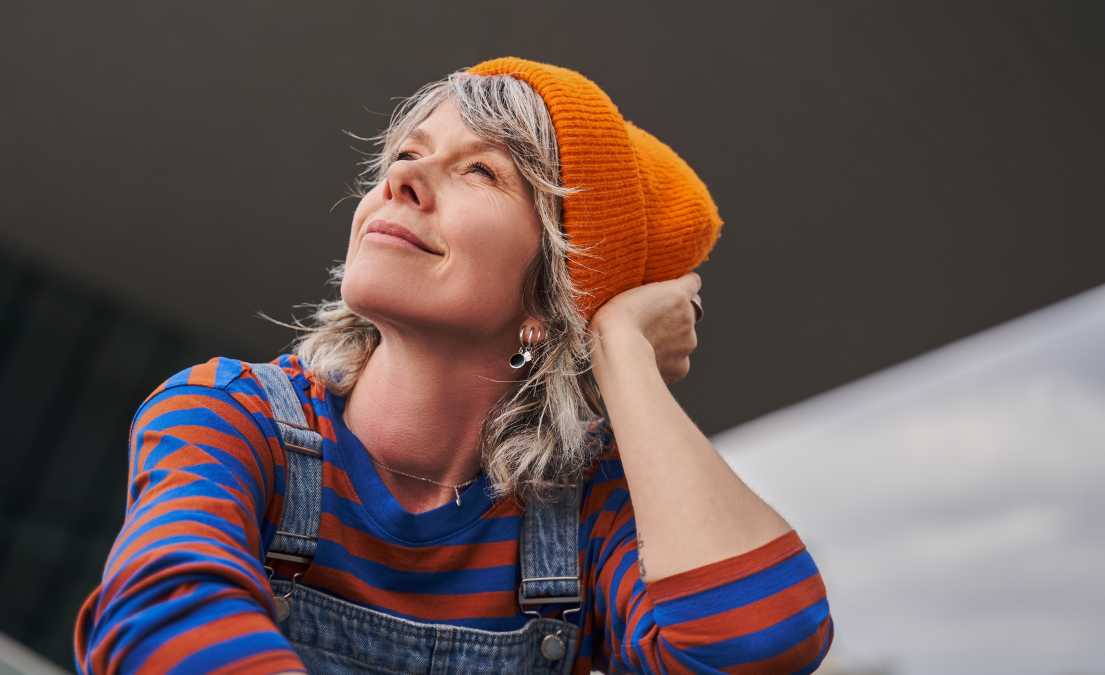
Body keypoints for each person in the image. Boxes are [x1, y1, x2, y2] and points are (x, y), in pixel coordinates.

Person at [75, 58, 833, 675]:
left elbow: (757, 644)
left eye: (481, 173)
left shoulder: (586, 511)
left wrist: (619, 348)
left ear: (552, 295)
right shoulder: (229, 414)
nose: (401, 181)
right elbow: (161, 616)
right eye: (407, 155)